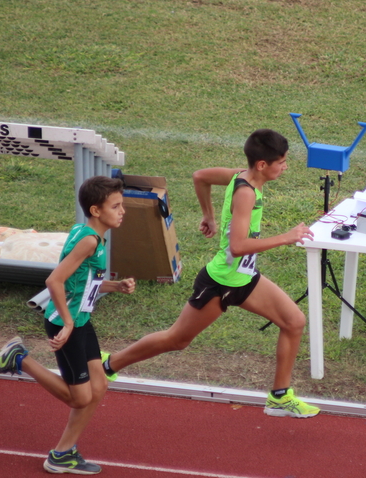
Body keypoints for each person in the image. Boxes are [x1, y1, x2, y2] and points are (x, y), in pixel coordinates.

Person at [102, 129, 320, 418]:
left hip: (245, 278)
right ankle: (109, 364)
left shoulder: (238, 175)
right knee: (177, 340)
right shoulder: (245, 193)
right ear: (262, 165)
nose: (285, 166)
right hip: (220, 283)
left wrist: (209, 215)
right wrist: (287, 236)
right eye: (281, 161)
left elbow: (200, 176)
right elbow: (239, 245)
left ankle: (280, 396)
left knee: (294, 321)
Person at [0, 175, 136, 475]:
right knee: (78, 396)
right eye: (116, 206)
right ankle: (18, 358)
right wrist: (67, 323)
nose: (122, 211)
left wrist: (114, 287)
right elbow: (54, 280)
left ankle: (63, 454)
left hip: (81, 321)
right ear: (96, 210)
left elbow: (83, 283)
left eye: (122, 206)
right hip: (67, 325)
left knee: (99, 385)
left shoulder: (88, 233)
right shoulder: (90, 240)